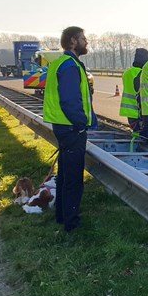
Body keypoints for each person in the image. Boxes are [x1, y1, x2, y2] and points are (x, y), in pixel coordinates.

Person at [42, 26, 94, 232]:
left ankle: (62, 216)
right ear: (73, 41)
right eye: (83, 38)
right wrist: (81, 124)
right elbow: (70, 100)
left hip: (62, 126)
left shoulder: (59, 63)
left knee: (64, 175)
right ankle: (71, 223)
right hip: (72, 128)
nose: (86, 41)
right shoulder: (71, 66)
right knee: (73, 178)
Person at [119, 48, 148, 132]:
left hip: (129, 111)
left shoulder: (127, 73)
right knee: (142, 136)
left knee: (136, 133)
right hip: (139, 111)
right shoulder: (142, 73)